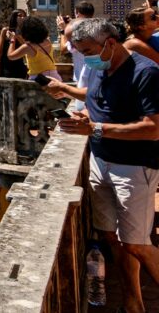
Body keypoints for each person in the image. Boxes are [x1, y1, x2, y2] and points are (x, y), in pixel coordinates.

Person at [54, 18, 159, 313]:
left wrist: (96, 130)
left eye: (87, 50)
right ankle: (133, 302)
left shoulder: (146, 73)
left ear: (110, 43)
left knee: (137, 243)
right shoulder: (99, 69)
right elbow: (94, 100)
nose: (85, 57)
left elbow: (153, 128)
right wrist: (71, 102)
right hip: (100, 163)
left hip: (134, 168)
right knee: (114, 238)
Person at [6, 15, 60, 81]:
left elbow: (11, 56)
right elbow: (30, 45)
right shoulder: (47, 41)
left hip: (40, 79)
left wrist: (12, 40)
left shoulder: (28, 47)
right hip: (55, 77)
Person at [0, 10, 29, 78]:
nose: (22, 18)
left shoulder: (24, 31)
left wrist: (16, 36)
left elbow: (26, 45)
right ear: (14, 17)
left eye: (24, 16)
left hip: (19, 62)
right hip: (6, 63)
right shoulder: (5, 30)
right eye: (20, 16)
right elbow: (0, 48)